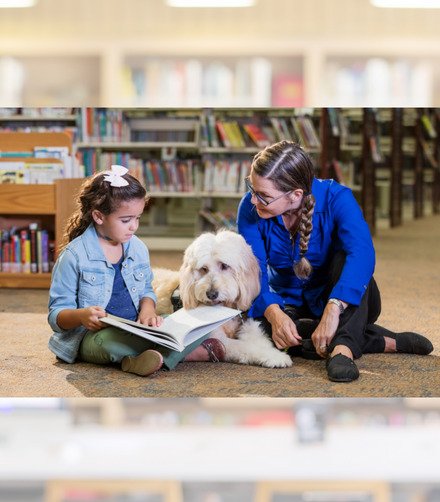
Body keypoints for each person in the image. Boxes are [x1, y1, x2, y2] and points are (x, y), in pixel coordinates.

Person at [237, 141, 433, 382]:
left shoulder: (337, 198)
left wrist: (334, 308)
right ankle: (380, 340)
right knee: (259, 333)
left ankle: (343, 350)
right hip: (286, 300)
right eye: (252, 189)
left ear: (295, 195)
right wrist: (274, 313)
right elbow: (253, 269)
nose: (254, 201)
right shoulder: (249, 208)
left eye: (263, 196)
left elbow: (362, 254)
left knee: (345, 260)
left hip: (343, 297)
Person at [48, 165, 225, 377]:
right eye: (126, 220)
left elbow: (146, 291)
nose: (134, 226)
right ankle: (171, 355)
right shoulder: (73, 256)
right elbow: (56, 316)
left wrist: (148, 309)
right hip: (92, 337)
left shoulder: (137, 247)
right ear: (98, 216)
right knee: (108, 344)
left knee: (192, 322)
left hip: (136, 328)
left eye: (138, 218)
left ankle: (143, 359)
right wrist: (81, 316)